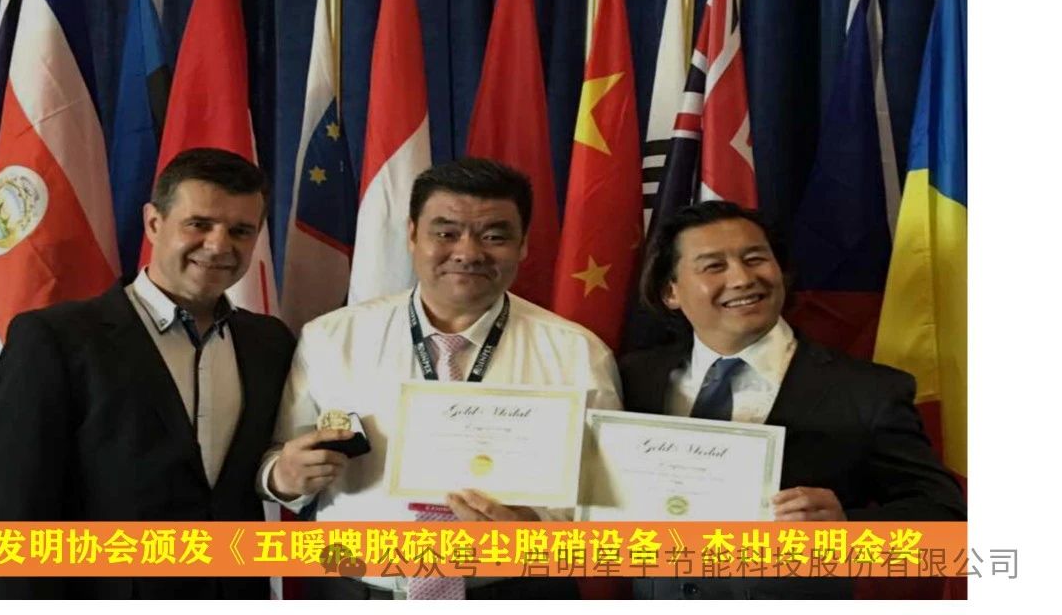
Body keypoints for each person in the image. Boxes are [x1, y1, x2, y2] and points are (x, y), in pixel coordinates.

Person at [259, 158, 622, 600]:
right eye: (446, 233)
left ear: (524, 244)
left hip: (517, 590)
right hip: (354, 589)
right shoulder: (332, 339)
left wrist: (539, 535)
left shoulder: (578, 354)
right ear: (412, 235)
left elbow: (612, 506)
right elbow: (277, 458)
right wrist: (282, 476)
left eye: (494, 236)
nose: (468, 253)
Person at [0, 148, 294, 599]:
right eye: (199, 224)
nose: (219, 245)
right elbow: (7, 512)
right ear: (154, 223)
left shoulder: (270, 343)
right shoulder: (56, 340)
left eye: (240, 230)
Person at [621, 200, 966, 599]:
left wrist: (847, 529)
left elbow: (947, 523)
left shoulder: (868, 391)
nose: (742, 278)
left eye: (755, 259)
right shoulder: (635, 377)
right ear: (670, 292)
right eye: (714, 266)